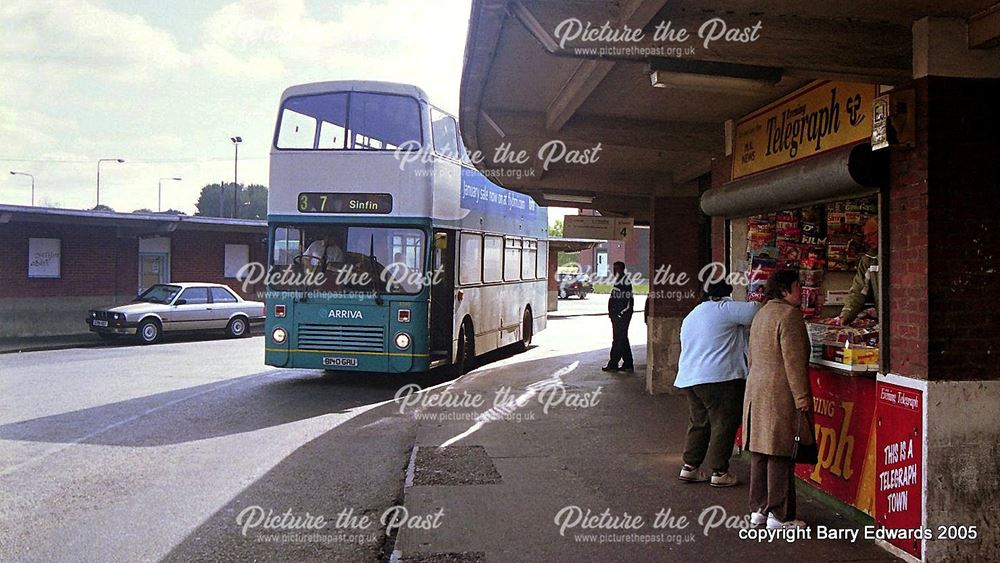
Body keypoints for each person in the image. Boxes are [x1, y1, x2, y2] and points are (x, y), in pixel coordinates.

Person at [742, 269, 813, 529]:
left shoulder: (761, 314)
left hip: (756, 390)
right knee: (780, 452)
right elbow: (793, 362)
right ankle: (780, 515)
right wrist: (802, 397)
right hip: (779, 391)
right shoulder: (789, 316)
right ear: (784, 290)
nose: (801, 291)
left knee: (760, 451)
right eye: (797, 286)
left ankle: (758, 510)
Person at [675, 280, 760, 487]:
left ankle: (690, 467)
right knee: (724, 423)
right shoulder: (724, 308)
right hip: (719, 377)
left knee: (699, 422)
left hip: (690, 378)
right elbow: (756, 311)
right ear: (724, 295)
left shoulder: (693, 315)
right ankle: (719, 471)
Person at [838, 216, 879, 325]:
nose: (867, 240)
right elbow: (858, 290)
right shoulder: (868, 260)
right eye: (866, 236)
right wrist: (847, 314)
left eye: (871, 235)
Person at [603, 261, 634, 372]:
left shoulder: (624, 282)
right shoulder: (619, 281)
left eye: (617, 268)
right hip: (619, 315)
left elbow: (627, 301)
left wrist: (619, 314)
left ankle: (613, 363)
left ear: (622, 269)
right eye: (614, 268)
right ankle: (628, 363)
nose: (614, 271)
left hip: (621, 316)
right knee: (622, 338)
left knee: (618, 339)